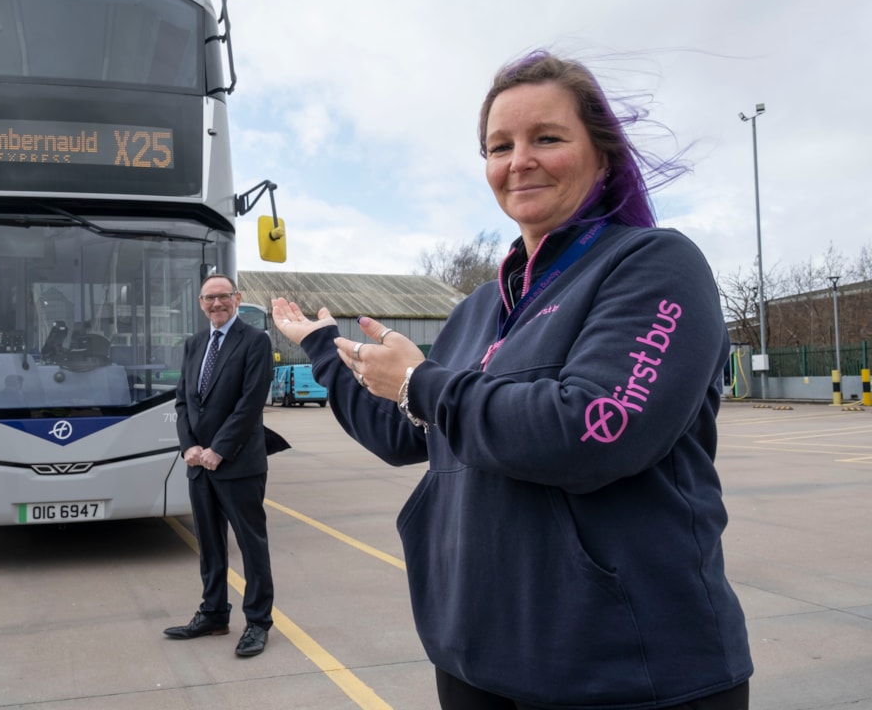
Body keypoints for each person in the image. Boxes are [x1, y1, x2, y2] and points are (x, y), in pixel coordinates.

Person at [271, 51, 752, 709]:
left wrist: (424, 382)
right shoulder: (478, 308)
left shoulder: (655, 265)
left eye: (546, 138)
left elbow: (596, 429)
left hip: (624, 672)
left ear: (603, 156)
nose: (518, 160)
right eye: (499, 146)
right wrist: (324, 348)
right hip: (475, 660)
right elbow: (400, 432)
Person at [164, 274, 276, 657]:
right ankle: (213, 613)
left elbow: (250, 403)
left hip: (238, 465)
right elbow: (183, 402)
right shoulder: (195, 344)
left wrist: (219, 449)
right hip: (198, 465)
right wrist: (189, 447)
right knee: (210, 546)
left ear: (237, 298)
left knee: (250, 546)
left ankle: (258, 622)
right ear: (200, 303)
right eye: (209, 298)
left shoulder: (256, 341)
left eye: (223, 297)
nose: (216, 304)